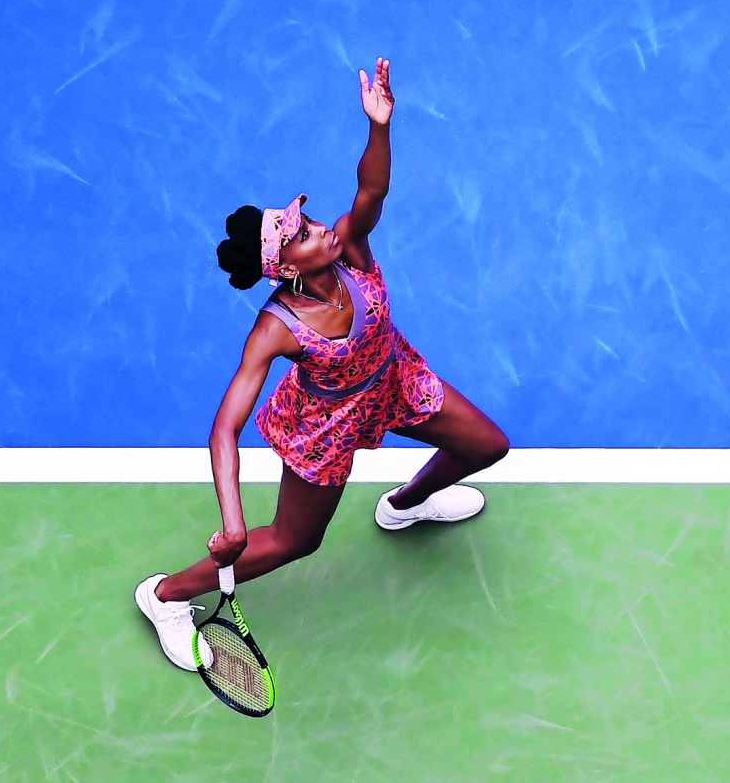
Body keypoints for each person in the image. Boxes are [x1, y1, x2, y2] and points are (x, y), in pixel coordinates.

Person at [135, 58, 509, 671]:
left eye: (308, 222)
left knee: (486, 445)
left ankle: (405, 504)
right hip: (327, 425)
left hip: (394, 378)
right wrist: (232, 522)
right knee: (293, 541)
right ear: (285, 268)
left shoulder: (350, 250)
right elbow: (224, 427)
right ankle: (166, 595)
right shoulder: (275, 329)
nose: (319, 231)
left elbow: (372, 191)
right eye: (303, 236)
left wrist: (379, 128)